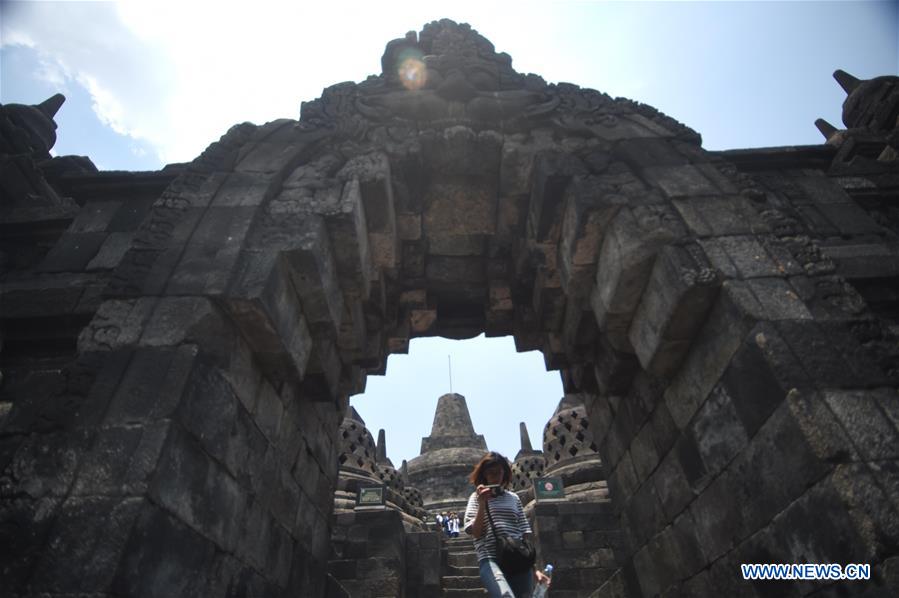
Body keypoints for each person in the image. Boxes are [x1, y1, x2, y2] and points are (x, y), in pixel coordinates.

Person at [463, 451, 551, 597]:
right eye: (490, 473)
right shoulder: (475, 498)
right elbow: (476, 533)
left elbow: (524, 535)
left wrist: (534, 569)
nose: (495, 476)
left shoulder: (514, 498)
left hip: (518, 560)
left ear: (504, 473)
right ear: (484, 474)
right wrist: (482, 503)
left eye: (499, 472)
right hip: (490, 558)